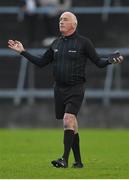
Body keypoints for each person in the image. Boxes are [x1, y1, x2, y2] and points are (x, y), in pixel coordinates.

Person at [8, 11, 123, 168]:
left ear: (74, 24)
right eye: (60, 19)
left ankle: (64, 159)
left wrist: (110, 60)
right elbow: (41, 62)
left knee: (68, 120)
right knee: (72, 124)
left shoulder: (84, 43)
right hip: (59, 89)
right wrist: (22, 52)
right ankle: (78, 162)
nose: (61, 22)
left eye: (65, 19)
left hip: (76, 88)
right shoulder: (56, 43)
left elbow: (98, 62)